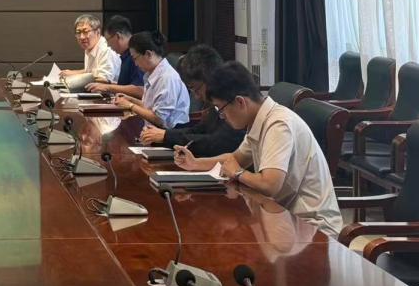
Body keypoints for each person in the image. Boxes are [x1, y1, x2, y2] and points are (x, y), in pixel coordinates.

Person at [174, 61, 343, 239]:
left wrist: (238, 173)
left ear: (240, 102)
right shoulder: (259, 119)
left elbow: (270, 185)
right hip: (283, 218)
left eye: (221, 110)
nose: (222, 117)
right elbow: (234, 158)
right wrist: (195, 163)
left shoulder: (278, 125)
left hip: (313, 228)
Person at [136, 44, 244, 154]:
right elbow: (199, 130)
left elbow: (217, 143)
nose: (196, 96)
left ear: (209, 78)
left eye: (196, 89)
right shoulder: (217, 100)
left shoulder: (232, 101)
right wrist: (161, 135)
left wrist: (166, 136)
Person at [113, 31, 190, 129]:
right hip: (152, 131)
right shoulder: (152, 74)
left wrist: (130, 105)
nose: (135, 64)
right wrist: (131, 100)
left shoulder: (166, 78)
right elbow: (150, 108)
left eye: (135, 58)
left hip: (169, 134)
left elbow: (160, 119)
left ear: (148, 54)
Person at [88, 15, 146, 98]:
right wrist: (108, 84)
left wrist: (108, 87)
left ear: (118, 36)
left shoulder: (137, 55)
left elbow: (141, 90)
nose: (108, 45)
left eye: (107, 40)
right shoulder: (125, 55)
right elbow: (126, 85)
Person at [60, 13, 120, 86]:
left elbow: (103, 80)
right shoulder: (90, 47)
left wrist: (73, 77)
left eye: (85, 32)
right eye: (78, 32)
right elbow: (91, 71)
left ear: (97, 32)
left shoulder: (106, 50)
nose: (81, 37)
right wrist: (73, 73)